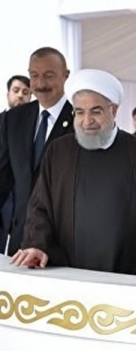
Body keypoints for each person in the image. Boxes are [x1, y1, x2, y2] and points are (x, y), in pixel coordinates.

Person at [10, 69, 136, 278]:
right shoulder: (59, 151)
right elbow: (40, 207)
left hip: (129, 278)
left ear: (113, 110)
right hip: (70, 274)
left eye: (96, 111)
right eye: (79, 112)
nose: (87, 121)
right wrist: (37, 244)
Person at [0, 47, 74, 256]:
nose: (40, 84)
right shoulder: (13, 119)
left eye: (49, 76)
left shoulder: (80, 121)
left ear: (65, 75)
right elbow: (2, 179)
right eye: (34, 75)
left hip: (62, 246)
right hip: (20, 241)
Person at [1, 75, 32, 252]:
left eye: (26, 92)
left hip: (22, 195)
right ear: (8, 94)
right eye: (16, 90)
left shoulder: (35, 127)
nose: (20, 95)